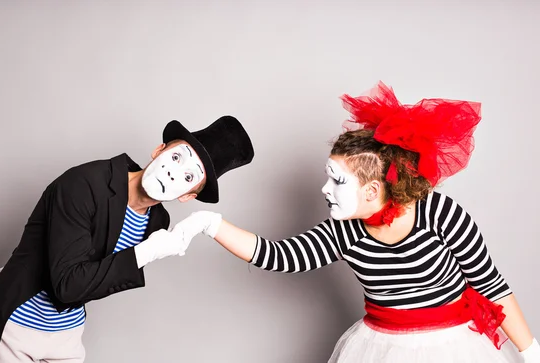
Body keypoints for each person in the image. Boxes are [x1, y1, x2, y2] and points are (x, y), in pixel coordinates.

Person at [172, 83, 540, 362]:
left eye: (338, 180)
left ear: (373, 189)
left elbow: (493, 288)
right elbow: (281, 256)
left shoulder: (441, 214)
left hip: (450, 347)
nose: (325, 189)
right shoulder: (343, 230)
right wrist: (210, 222)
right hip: (379, 346)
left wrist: (531, 355)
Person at [0, 115, 255, 363]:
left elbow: (94, 283)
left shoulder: (158, 222)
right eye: (176, 157)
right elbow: (67, 285)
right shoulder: (83, 184)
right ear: (159, 150)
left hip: (66, 336)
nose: (172, 171)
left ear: (187, 196)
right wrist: (146, 253)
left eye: (189, 176)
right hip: (15, 328)